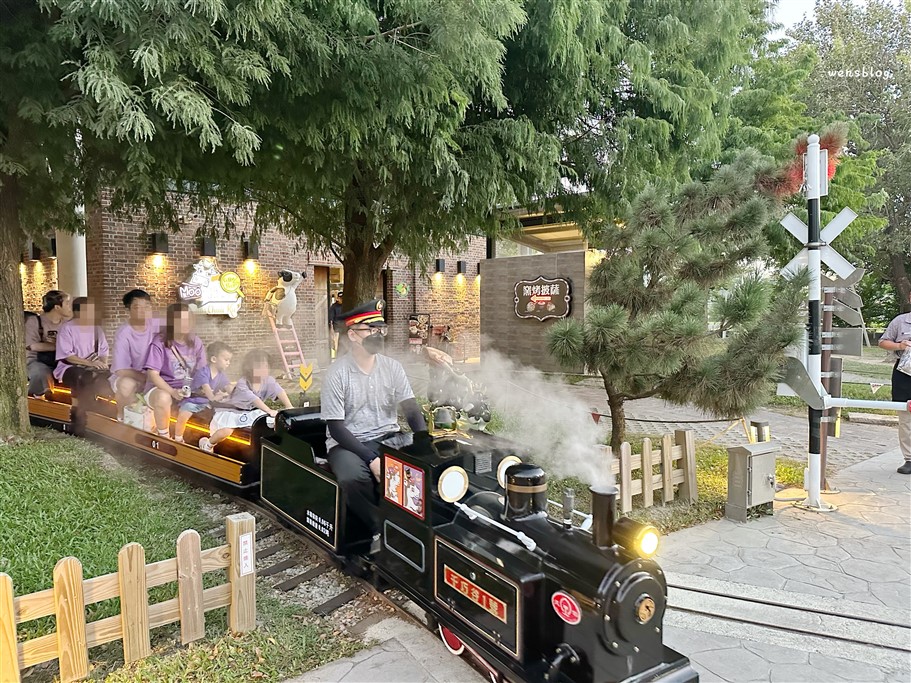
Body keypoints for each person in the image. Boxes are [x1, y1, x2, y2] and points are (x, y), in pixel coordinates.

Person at [320, 299, 427, 545]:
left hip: (390, 436)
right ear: (353, 335)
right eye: (370, 329)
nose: (377, 334)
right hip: (349, 443)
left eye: (380, 328)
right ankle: (378, 529)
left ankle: (418, 525)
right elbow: (336, 428)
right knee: (352, 477)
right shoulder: (337, 373)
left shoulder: (393, 368)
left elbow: (410, 408)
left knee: (426, 466)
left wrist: (424, 440)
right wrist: (372, 459)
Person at [202, 349, 292, 452]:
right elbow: (254, 399)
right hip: (233, 411)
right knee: (226, 431)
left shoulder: (268, 380)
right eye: (259, 367)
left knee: (271, 423)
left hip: (250, 411)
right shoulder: (242, 383)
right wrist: (268, 410)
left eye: (266, 366)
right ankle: (208, 444)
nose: (264, 369)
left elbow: (279, 390)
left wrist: (289, 406)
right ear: (249, 368)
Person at [143, 303, 206, 439]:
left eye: (187, 319)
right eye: (180, 320)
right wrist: (172, 391)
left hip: (187, 389)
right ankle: (164, 437)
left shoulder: (196, 342)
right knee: (163, 398)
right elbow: (153, 374)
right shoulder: (159, 342)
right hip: (160, 388)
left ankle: (190, 439)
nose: (185, 324)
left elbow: (203, 372)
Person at [109, 289, 161, 419]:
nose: (144, 310)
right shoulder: (124, 334)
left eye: (147, 306)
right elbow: (121, 370)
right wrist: (146, 379)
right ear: (129, 309)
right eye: (138, 307)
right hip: (133, 375)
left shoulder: (159, 325)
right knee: (126, 386)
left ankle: (153, 422)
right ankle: (124, 418)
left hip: (155, 373)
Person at [174, 341, 233, 443]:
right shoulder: (203, 373)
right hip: (193, 401)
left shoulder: (221, 375)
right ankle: (178, 438)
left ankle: (212, 441)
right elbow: (210, 395)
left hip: (207, 404)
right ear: (214, 359)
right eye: (226, 360)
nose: (228, 363)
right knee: (184, 414)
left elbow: (229, 387)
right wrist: (219, 396)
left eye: (229, 360)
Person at [878, 295, 911, 474]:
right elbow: (882, 342)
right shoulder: (900, 321)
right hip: (904, 374)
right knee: (906, 418)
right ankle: (909, 459)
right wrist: (900, 345)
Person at [25, 290, 72, 396]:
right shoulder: (34, 322)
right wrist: (58, 345)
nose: (70, 307)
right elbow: (31, 346)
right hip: (36, 361)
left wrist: (49, 345)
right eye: (67, 304)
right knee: (41, 372)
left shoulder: (68, 324)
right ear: (57, 307)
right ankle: (42, 398)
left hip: (62, 361)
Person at [329, 291, 344, 357]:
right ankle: (337, 357)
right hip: (337, 328)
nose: (341, 299)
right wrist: (331, 330)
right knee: (336, 343)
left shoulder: (345, 306)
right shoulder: (334, 307)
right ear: (338, 298)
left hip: (344, 327)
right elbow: (331, 319)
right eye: (340, 298)